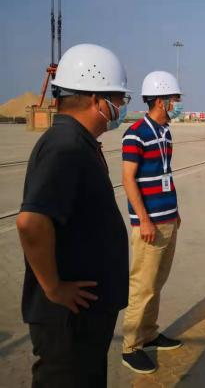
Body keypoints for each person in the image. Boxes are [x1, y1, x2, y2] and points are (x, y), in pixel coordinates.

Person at [16, 43, 132, 387]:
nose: (122, 106)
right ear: (97, 100)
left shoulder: (77, 142)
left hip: (84, 316)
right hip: (68, 320)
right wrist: (53, 288)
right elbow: (31, 223)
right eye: (119, 98)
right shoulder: (65, 147)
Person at [121, 71, 184, 374]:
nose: (177, 104)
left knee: (157, 283)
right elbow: (128, 179)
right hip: (149, 225)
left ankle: (148, 333)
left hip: (168, 219)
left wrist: (176, 210)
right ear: (160, 100)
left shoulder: (165, 132)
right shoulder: (135, 134)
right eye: (174, 99)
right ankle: (130, 346)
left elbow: (165, 174)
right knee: (142, 286)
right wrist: (144, 220)